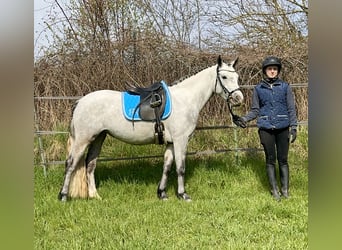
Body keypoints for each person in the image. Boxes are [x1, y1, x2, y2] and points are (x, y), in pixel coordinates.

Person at [234, 56, 298, 200]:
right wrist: (244, 118)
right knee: (270, 159)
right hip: (265, 128)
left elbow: (291, 108)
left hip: (283, 127)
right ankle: (274, 190)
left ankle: (285, 190)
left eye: (275, 69)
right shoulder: (258, 89)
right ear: (265, 71)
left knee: (283, 159)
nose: (272, 71)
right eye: (270, 69)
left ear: (278, 71)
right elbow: (255, 110)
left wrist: (293, 126)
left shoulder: (285, 87)